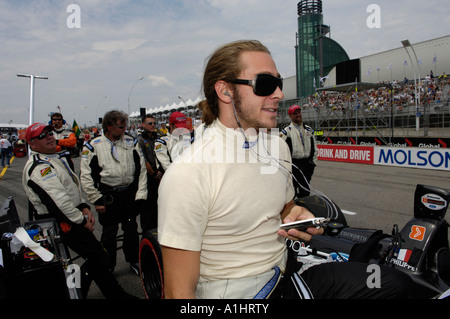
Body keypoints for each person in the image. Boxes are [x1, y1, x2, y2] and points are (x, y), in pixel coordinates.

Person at [157, 40, 413, 299]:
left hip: (286, 271)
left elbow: (286, 206)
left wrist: (295, 212)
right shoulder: (187, 174)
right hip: (238, 293)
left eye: (278, 83)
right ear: (225, 91)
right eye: (265, 84)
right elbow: (179, 294)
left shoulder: (276, 146)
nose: (279, 93)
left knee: (393, 283)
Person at [22, 122, 136, 299]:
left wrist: (83, 206)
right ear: (32, 143)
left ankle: (85, 293)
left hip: (71, 215)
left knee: (98, 257)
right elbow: (59, 203)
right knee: (99, 257)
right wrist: (81, 220)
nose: (50, 137)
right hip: (62, 220)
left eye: (50, 133)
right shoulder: (40, 167)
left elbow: (70, 189)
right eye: (42, 136)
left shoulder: (52, 158)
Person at [80, 110, 147, 275]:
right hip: (108, 196)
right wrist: (97, 200)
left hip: (129, 194)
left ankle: (133, 260)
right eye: (120, 126)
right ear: (109, 126)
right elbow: (86, 176)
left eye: (125, 126)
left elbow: (142, 168)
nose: (124, 129)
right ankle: (107, 265)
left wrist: (140, 194)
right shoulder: (93, 146)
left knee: (131, 230)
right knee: (109, 233)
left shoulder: (131, 142)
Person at [280, 104, 318, 198]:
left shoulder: (308, 129)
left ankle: (303, 210)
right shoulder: (286, 131)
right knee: (291, 193)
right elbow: (281, 151)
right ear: (290, 116)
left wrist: (313, 163)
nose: (298, 115)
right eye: (295, 113)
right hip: (293, 165)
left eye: (299, 112)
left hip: (306, 165)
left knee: (305, 193)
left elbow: (314, 147)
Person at [137, 114, 162, 232]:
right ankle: (147, 232)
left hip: (159, 176)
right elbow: (143, 160)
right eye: (150, 123)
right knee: (148, 206)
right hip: (148, 177)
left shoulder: (158, 137)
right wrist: (153, 174)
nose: (153, 125)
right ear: (143, 125)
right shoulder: (140, 140)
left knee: (159, 205)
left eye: (154, 123)